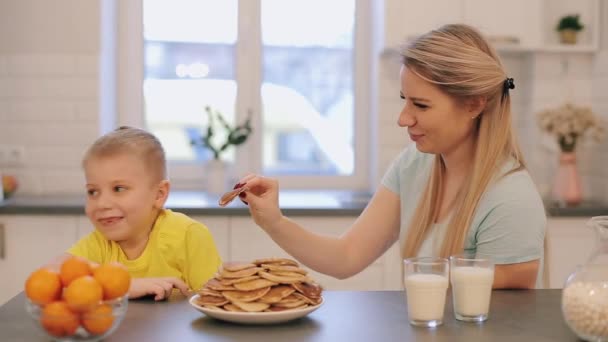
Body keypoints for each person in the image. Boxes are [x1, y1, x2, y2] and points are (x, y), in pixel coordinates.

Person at [234, 24, 546, 289]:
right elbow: (347, 256)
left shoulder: (509, 196)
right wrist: (273, 221)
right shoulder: (415, 164)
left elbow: (505, 319)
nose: (403, 118)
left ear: (475, 105)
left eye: (421, 105)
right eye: (404, 100)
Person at [52, 127, 222, 300]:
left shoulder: (189, 236)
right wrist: (122, 286)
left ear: (159, 194)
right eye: (93, 192)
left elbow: (217, 302)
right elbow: (50, 274)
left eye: (118, 189)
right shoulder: (100, 243)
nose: (102, 203)